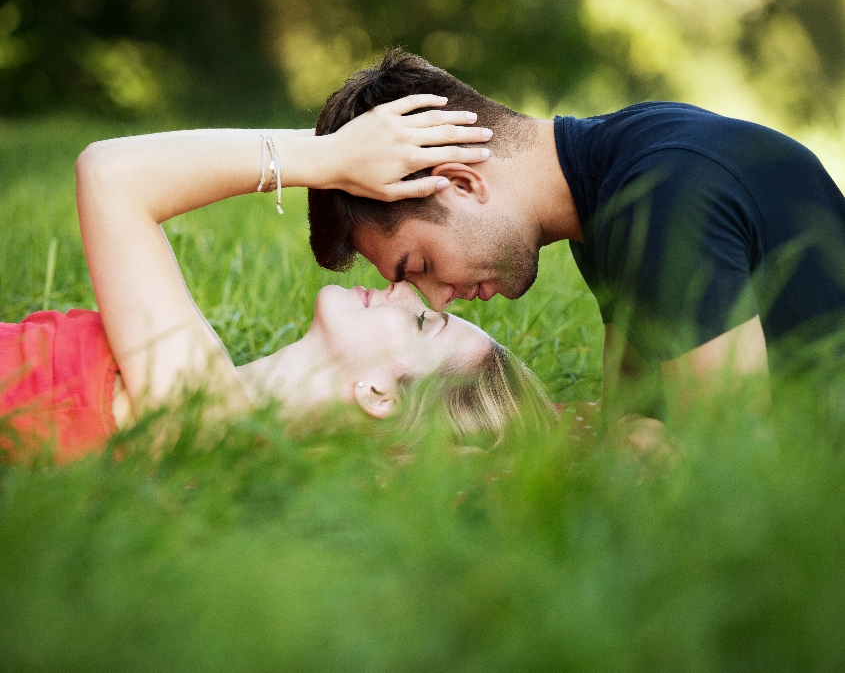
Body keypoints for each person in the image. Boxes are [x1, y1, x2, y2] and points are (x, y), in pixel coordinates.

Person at [307, 50, 845, 441]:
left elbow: (730, 461)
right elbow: (630, 417)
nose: (437, 299)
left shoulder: (658, 195)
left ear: (463, 183)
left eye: (421, 264)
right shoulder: (614, 188)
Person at [0, 95, 554, 463]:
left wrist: (331, 155)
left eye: (422, 324)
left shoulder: (204, 415)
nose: (406, 291)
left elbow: (110, 175)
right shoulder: (210, 405)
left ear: (379, 394)